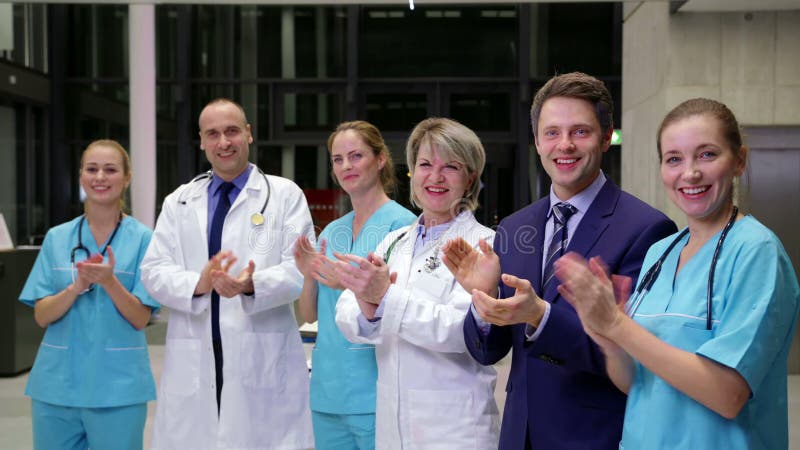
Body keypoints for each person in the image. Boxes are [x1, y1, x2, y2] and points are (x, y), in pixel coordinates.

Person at [442, 72, 677, 449]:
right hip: (520, 436)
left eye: (580, 131)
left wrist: (541, 316)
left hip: (594, 437)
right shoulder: (515, 227)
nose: (564, 145)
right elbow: (488, 350)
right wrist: (484, 300)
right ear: (536, 141)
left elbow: (638, 358)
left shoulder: (648, 230)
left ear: (606, 136)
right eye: (552, 133)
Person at [554, 98, 800, 449]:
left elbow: (728, 394)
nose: (690, 173)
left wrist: (618, 326)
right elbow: (634, 383)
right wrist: (609, 341)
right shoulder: (661, 252)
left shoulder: (755, 251)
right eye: (674, 159)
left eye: (707, 154)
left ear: (739, 161)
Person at [140, 98, 315, 449]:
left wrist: (253, 284)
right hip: (197, 353)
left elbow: (302, 268)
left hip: (260, 351)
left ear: (248, 135)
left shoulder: (283, 195)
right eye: (213, 134)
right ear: (201, 141)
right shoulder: (179, 201)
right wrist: (198, 283)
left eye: (232, 131)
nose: (224, 142)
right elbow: (153, 271)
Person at [333, 117, 500, 449]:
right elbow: (346, 314)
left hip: (454, 429)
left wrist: (384, 299)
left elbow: (462, 332)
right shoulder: (394, 242)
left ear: (470, 179)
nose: (435, 177)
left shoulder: (485, 245)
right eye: (425, 164)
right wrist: (369, 307)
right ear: (411, 172)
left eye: (450, 166)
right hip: (393, 427)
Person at [19, 139, 158, 450]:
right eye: (92, 169)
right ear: (80, 176)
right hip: (56, 388)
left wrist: (110, 282)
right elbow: (41, 316)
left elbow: (140, 317)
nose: (100, 177)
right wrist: (76, 287)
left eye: (110, 170)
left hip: (118, 389)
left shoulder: (144, 240)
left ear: (127, 178)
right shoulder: (57, 238)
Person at [293, 121, 415, 449]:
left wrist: (344, 283)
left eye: (356, 155)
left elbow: (402, 310)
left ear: (380, 160)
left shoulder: (403, 225)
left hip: (376, 391)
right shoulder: (332, 231)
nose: (346, 165)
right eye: (338, 159)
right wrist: (308, 274)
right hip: (327, 392)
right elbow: (309, 314)